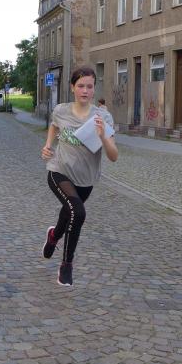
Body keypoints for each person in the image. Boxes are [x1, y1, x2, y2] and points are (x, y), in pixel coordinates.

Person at [40, 67, 118, 287]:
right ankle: (66, 265)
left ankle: (53, 236)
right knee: (78, 212)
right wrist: (48, 145)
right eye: (81, 86)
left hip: (86, 179)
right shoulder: (61, 110)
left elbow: (113, 156)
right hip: (59, 171)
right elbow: (54, 126)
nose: (85, 90)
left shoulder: (103, 117)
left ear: (94, 89)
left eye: (89, 86)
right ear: (73, 87)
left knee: (69, 213)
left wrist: (103, 136)